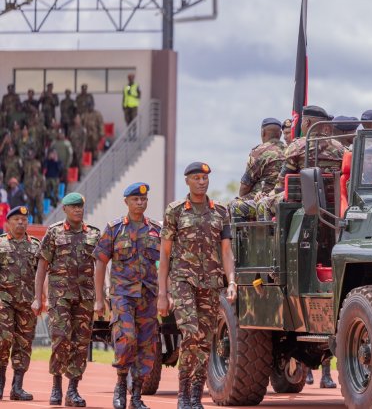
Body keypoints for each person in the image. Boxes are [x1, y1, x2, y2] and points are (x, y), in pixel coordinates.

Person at [158, 162, 237, 409]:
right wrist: (163, 292)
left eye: (204, 178)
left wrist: (231, 281)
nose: (202, 182)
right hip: (183, 282)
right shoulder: (176, 211)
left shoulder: (221, 211)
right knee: (190, 333)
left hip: (211, 283)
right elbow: (165, 253)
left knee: (205, 339)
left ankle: (195, 395)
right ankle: (183, 393)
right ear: (187, 182)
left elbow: (226, 252)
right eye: (196, 177)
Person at [94, 183, 161, 409]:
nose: (140, 203)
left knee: (147, 346)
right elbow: (100, 262)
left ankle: (137, 395)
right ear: (126, 202)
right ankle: (121, 383)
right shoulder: (114, 229)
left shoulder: (155, 230)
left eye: (143, 199)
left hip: (148, 295)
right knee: (126, 338)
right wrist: (99, 298)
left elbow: (166, 261)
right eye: (135, 199)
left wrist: (165, 293)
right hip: (122, 294)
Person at [32, 192, 100, 407]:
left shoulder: (94, 234)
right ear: (65, 210)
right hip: (59, 297)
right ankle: (56, 384)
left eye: (80, 206)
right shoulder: (54, 233)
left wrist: (102, 295)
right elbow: (42, 266)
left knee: (80, 344)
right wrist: (37, 298)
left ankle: (72, 390)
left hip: (85, 297)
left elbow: (101, 267)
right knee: (61, 339)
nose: (78, 210)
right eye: (73, 207)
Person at [257, 106, 344, 219]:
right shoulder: (340, 148)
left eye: (302, 121)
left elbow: (282, 183)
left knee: (262, 204)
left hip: (302, 200)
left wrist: (266, 196)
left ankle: (275, 236)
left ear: (307, 122)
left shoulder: (297, 146)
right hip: (333, 201)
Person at [0, 206, 39, 401]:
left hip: (27, 303)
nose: (21, 222)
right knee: (3, 340)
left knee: (24, 344)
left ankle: (17, 387)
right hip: (3, 302)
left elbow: (42, 274)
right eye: (16, 219)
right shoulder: (1, 245)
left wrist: (41, 298)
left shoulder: (35, 246)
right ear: (8, 223)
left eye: (24, 219)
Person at [229, 118, 286, 220]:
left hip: (263, 198)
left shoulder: (259, 151)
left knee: (234, 205)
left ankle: (246, 235)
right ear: (280, 134)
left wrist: (243, 197)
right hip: (282, 198)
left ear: (263, 132)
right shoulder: (289, 149)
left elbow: (245, 187)